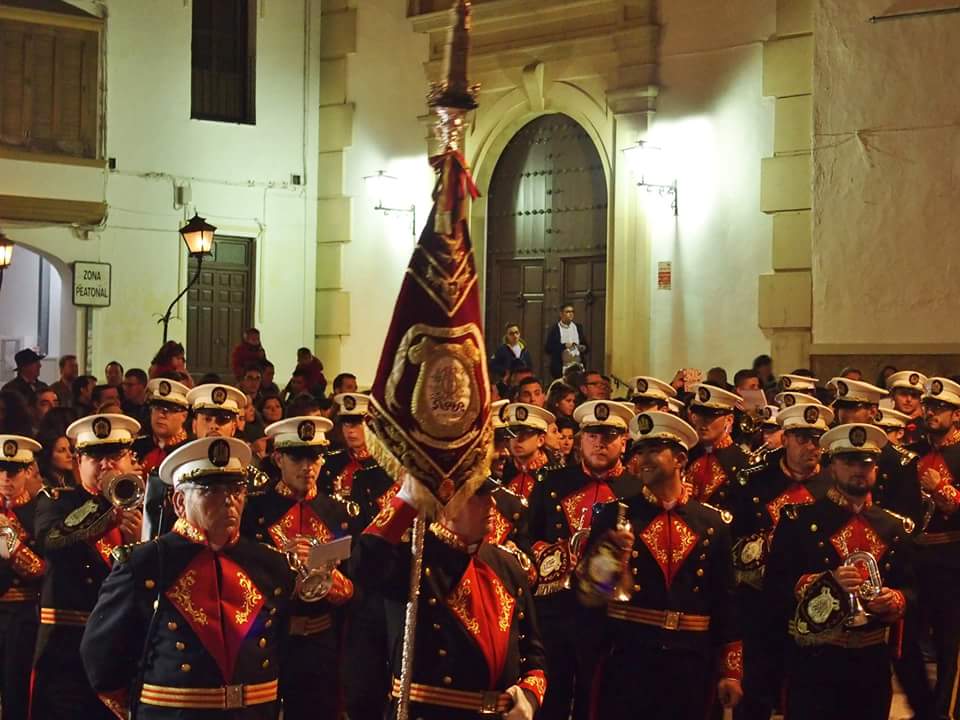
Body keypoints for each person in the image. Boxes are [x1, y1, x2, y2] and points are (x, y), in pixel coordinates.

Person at [80, 437, 297, 719]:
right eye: (212, 491)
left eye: (236, 489)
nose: (229, 500)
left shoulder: (269, 563)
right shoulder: (145, 565)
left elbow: (283, 646)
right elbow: (101, 656)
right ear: (180, 502)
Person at [577, 410, 742, 719]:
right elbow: (588, 596)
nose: (643, 460)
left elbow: (725, 601)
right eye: (640, 451)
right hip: (629, 656)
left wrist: (730, 671)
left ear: (680, 458)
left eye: (654, 451)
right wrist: (606, 561)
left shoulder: (712, 523)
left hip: (691, 661)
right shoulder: (615, 516)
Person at [351, 473, 548, 720]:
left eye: (489, 495)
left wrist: (529, 696)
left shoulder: (507, 565)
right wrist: (407, 499)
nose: (493, 505)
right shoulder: (413, 562)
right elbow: (363, 564)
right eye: (478, 496)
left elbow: (533, 651)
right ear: (446, 505)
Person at [764, 423, 915, 720]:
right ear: (832, 466)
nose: (858, 469)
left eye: (866, 463)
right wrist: (825, 584)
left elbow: (915, 588)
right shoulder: (798, 520)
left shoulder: (894, 526)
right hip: (816, 660)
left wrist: (896, 599)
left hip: (872, 661)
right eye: (849, 461)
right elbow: (774, 588)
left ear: (876, 469)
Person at [525, 400, 634, 720]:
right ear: (579, 439)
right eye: (592, 435)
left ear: (624, 441)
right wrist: (551, 555)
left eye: (610, 436)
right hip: (555, 610)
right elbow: (525, 538)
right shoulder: (552, 484)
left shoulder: (636, 490)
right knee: (552, 696)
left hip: (608, 615)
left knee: (598, 696)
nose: (600, 443)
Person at [241, 416, 355, 720]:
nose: (308, 466)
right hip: (266, 640)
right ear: (278, 458)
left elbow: (355, 589)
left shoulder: (339, 513)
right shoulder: (253, 511)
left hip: (320, 643)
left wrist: (328, 577)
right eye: (297, 457)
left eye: (315, 457)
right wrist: (281, 563)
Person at [32, 413, 143, 720]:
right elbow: (53, 544)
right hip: (68, 654)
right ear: (78, 461)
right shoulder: (56, 501)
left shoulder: (148, 505)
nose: (106, 465)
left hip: (124, 650)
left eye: (115, 455)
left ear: (130, 458)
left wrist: (138, 544)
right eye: (96, 456)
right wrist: (109, 506)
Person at [731, 401, 834, 720]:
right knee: (756, 693)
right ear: (785, 438)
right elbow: (731, 544)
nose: (810, 448)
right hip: (761, 603)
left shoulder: (833, 486)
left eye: (816, 440)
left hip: (815, 606)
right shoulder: (754, 483)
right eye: (802, 439)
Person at [915, 377, 960, 719]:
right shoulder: (916, 452)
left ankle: (945, 709)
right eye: (928, 406)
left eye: (939, 408)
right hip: (916, 559)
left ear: (956, 415)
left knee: (949, 642)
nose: (931, 412)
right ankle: (924, 707)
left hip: (951, 560)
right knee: (911, 641)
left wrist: (943, 491)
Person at [0, 434, 46, 720]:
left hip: (23, 614)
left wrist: (8, 540)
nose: (5, 477)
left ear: (28, 470)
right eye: (0, 470)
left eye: (13, 470)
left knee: (17, 691)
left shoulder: (40, 510)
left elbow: (41, 569)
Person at [686, 383, 748, 511]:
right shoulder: (687, 455)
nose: (703, 423)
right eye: (699, 416)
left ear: (729, 420)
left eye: (710, 417)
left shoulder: (742, 461)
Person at [500, 402, 555, 499]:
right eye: (513, 433)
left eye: (526, 434)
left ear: (540, 440)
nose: (517, 439)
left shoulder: (554, 473)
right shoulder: (502, 469)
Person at [545, 304, 588, 379]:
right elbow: (548, 349)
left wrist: (583, 348)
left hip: (578, 366)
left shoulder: (578, 327)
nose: (571, 314)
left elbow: (586, 346)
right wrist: (564, 346)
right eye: (568, 312)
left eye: (572, 311)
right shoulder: (555, 329)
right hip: (561, 368)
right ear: (561, 314)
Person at [887, 370, 927, 449]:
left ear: (920, 399)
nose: (909, 399)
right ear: (892, 396)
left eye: (914, 395)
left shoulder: (926, 428)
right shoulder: (883, 425)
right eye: (903, 394)